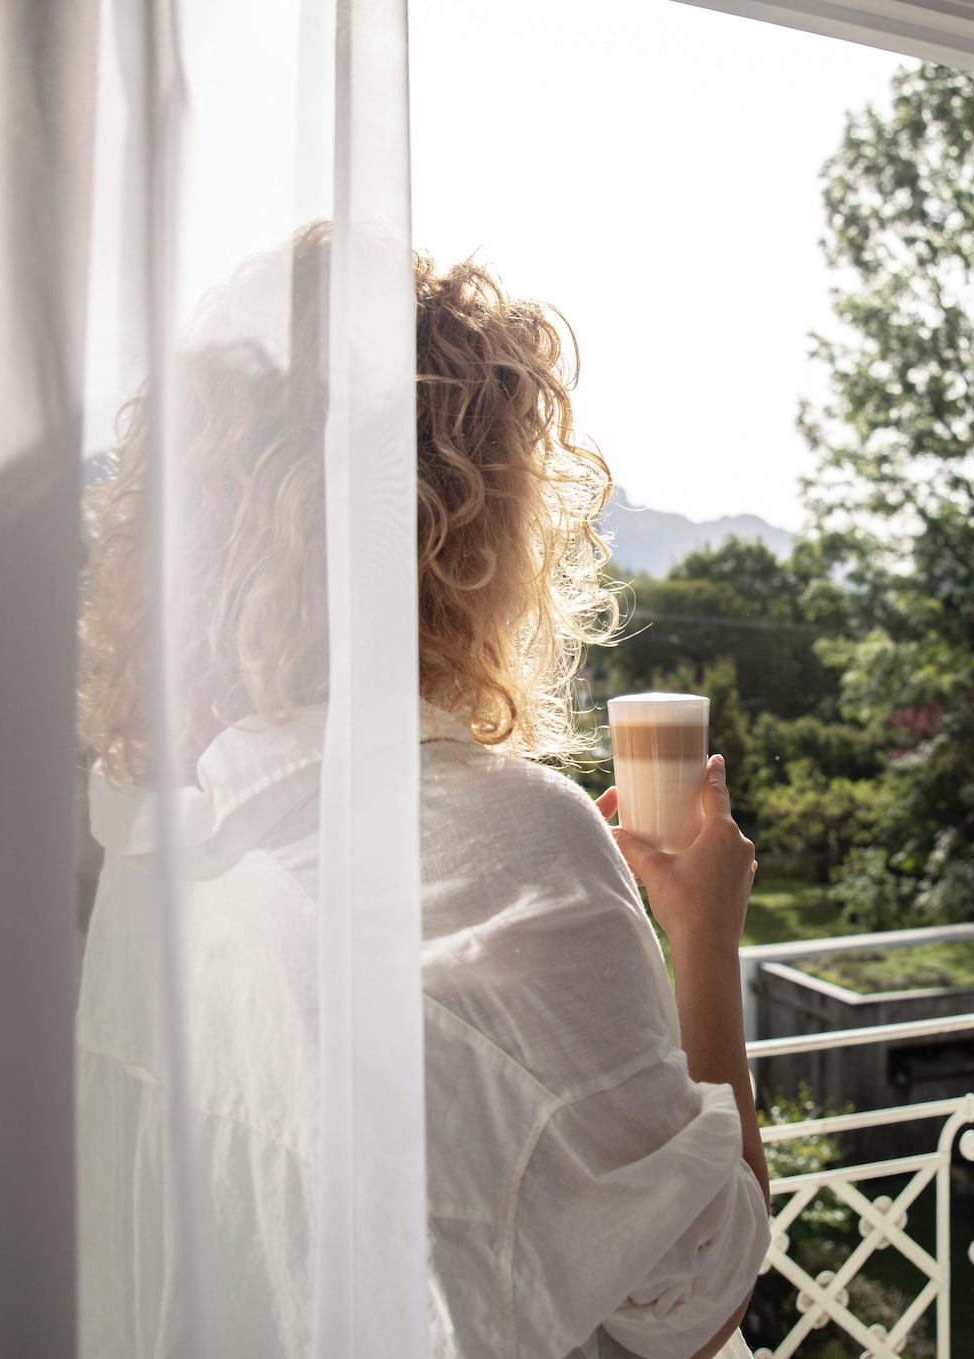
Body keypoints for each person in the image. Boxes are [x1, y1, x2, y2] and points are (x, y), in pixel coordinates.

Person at [73, 222, 769, 1359]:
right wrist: (702, 939)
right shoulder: (509, 841)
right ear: (472, 529)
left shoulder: (140, 823)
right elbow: (694, 1299)